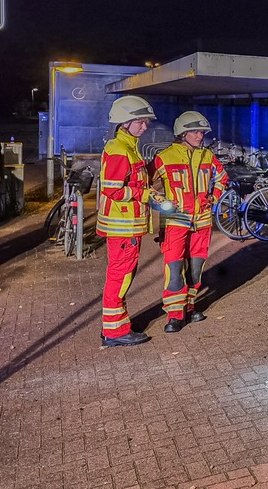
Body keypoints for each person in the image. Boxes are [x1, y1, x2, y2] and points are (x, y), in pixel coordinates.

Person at [153, 111, 228, 333]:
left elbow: (223, 177)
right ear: (183, 133)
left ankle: (190, 306)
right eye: (195, 131)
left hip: (202, 222)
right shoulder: (164, 157)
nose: (200, 136)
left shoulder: (207, 156)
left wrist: (213, 198)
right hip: (175, 222)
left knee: (195, 268)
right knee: (175, 268)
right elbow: (146, 184)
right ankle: (175, 316)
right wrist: (159, 200)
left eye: (202, 132)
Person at [97, 95, 158, 347]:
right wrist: (143, 194)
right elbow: (112, 190)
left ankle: (115, 327)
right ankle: (115, 332)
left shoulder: (127, 147)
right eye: (140, 122)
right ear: (124, 123)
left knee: (122, 275)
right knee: (120, 277)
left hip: (127, 225)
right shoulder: (121, 150)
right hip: (122, 226)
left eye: (145, 122)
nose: (145, 127)